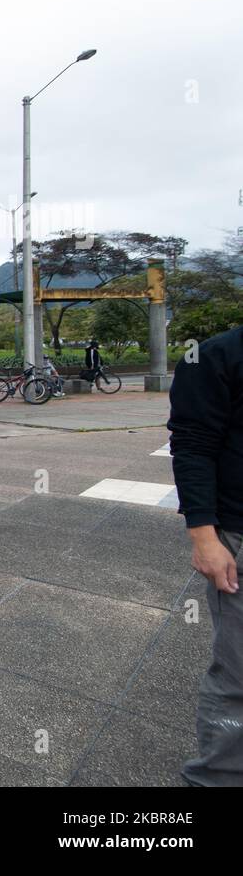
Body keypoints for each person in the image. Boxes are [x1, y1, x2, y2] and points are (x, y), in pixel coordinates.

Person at [169, 326, 243, 786]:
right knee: (239, 673)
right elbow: (192, 444)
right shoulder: (216, 356)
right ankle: (217, 778)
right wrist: (204, 536)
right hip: (236, 532)